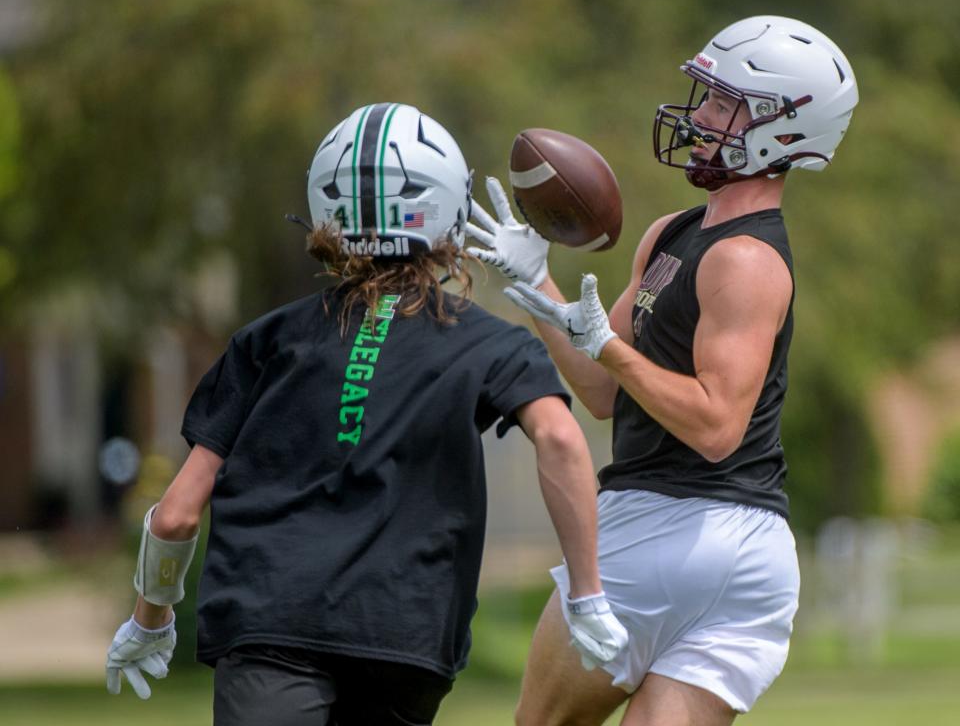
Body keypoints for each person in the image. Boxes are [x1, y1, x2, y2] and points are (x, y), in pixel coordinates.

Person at [105, 102, 628, 726]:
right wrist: (587, 593)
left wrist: (152, 616)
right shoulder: (492, 342)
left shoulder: (266, 341)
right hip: (403, 633)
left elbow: (176, 515)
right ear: (448, 210)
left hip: (270, 626)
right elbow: (563, 443)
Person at [466, 16, 858, 725]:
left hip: (662, 525)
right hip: (748, 557)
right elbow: (603, 392)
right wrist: (540, 289)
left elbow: (715, 427)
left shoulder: (745, 258)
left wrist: (607, 346)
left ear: (781, 125)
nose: (699, 115)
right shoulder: (673, 234)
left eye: (721, 102)